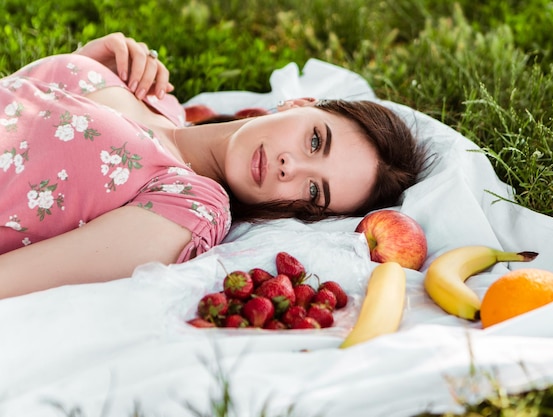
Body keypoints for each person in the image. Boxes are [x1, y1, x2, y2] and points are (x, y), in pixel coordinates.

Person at [0, 32, 429, 299]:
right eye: (315, 140)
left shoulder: (189, 207)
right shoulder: (151, 91)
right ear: (299, 103)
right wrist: (83, 61)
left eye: (314, 191)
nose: (289, 166)